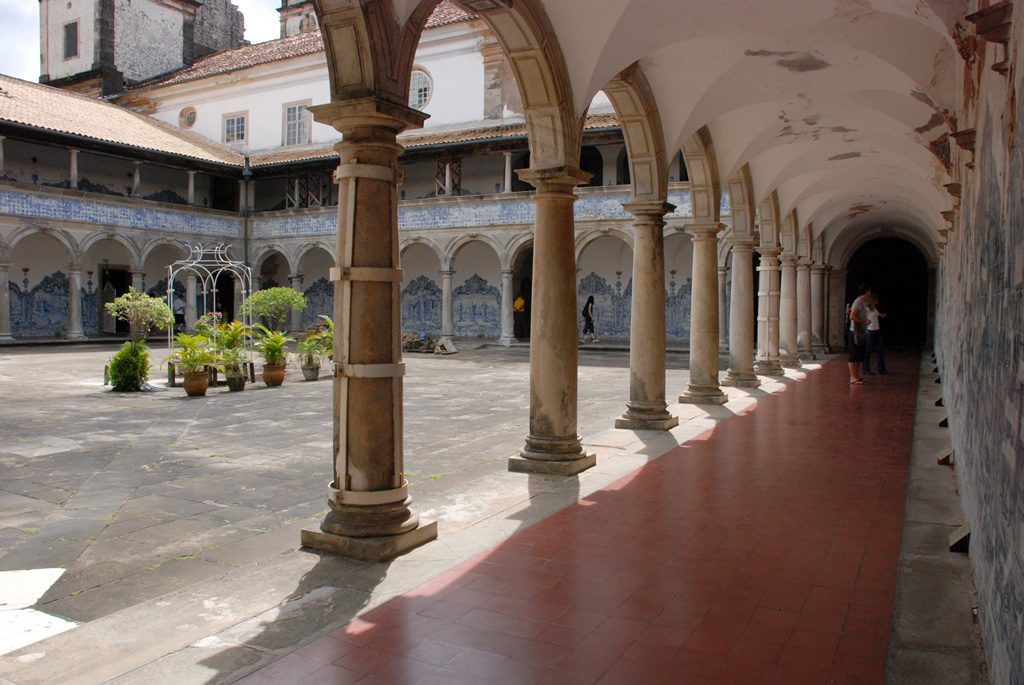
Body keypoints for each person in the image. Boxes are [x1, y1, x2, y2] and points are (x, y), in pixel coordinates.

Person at [848, 283, 871, 384]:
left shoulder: (863, 302)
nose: (870, 293)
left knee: (859, 355)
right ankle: (853, 376)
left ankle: (856, 375)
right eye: (869, 291)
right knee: (854, 355)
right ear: (866, 291)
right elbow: (852, 317)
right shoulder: (858, 302)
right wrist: (864, 322)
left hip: (861, 332)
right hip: (855, 332)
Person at [863, 294, 888, 375]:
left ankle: (881, 369)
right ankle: (866, 369)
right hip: (870, 331)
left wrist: (882, 315)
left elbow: (877, 314)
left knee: (881, 349)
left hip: (877, 330)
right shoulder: (867, 309)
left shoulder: (874, 309)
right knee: (867, 350)